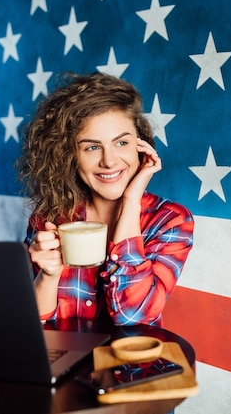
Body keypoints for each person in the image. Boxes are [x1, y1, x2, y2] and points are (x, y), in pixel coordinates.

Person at [17, 72, 194, 327]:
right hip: (64, 364)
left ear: (140, 145)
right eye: (91, 147)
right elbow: (36, 326)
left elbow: (133, 316)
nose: (109, 161)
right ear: (70, 155)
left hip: (129, 366)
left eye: (121, 142)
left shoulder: (171, 221)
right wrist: (49, 274)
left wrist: (131, 202)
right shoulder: (50, 217)